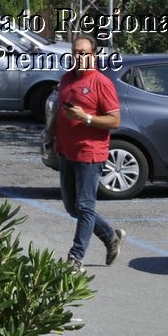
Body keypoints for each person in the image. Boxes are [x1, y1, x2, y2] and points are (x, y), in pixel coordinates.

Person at [53, 37, 125, 271]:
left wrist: (87, 118)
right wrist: (50, 135)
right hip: (66, 152)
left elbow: (114, 120)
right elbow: (60, 112)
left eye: (84, 53)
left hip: (90, 153)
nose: (79, 57)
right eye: (76, 52)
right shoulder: (66, 79)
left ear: (93, 55)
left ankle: (76, 258)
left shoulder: (101, 83)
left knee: (84, 206)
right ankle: (110, 236)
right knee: (73, 208)